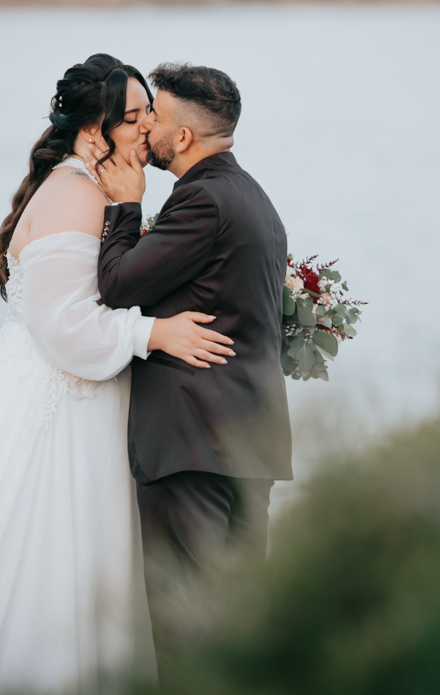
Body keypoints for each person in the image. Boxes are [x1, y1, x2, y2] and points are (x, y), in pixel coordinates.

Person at [0, 54, 236, 695]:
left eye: (149, 113)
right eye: (134, 117)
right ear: (93, 130)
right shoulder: (75, 195)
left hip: (78, 400)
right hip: (59, 409)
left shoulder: (99, 189)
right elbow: (64, 328)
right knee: (44, 563)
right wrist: (154, 333)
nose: (148, 127)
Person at [90, 63, 293, 683]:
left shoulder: (201, 198)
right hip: (248, 446)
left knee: (187, 635)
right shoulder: (256, 198)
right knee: (238, 630)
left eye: (155, 115)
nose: (145, 124)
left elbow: (117, 284)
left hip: (191, 447)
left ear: (182, 139)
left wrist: (125, 207)